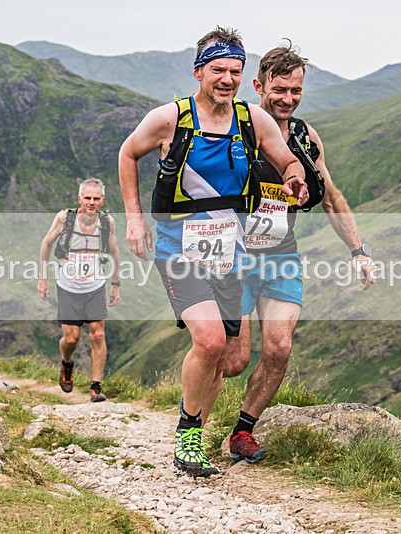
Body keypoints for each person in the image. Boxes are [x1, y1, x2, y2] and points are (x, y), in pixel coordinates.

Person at [118, 27, 308, 477]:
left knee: (225, 353)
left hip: (230, 250)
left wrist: (294, 176)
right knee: (210, 339)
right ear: (199, 71)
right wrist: (133, 218)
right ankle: (187, 435)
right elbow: (129, 155)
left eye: (235, 72)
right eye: (219, 70)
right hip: (178, 246)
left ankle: (195, 429)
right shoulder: (170, 118)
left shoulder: (252, 121)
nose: (227, 79)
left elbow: (285, 158)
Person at [207, 43, 376, 463]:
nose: (287, 99)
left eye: (296, 91)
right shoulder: (235, 126)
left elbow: (332, 197)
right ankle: (192, 426)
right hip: (232, 255)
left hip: (281, 254)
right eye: (279, 90)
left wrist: (358, 250)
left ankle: (242, 432)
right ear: (258, 85)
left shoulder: (305, 136)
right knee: (232, 359)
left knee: (279, 348)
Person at [39, 178, 121, 402]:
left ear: (102, 200)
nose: (91, 202)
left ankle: (96, 386)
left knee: (98, 334)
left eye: (96, 198)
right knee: (72, 339)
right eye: (87, 198)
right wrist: (42, 278)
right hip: (68, 286)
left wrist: (115, 284)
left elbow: (114, 252)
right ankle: (66, 364)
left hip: (95, 285)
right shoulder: (65, 218)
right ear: (79, 199)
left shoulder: (107, 222)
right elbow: (46, 244)